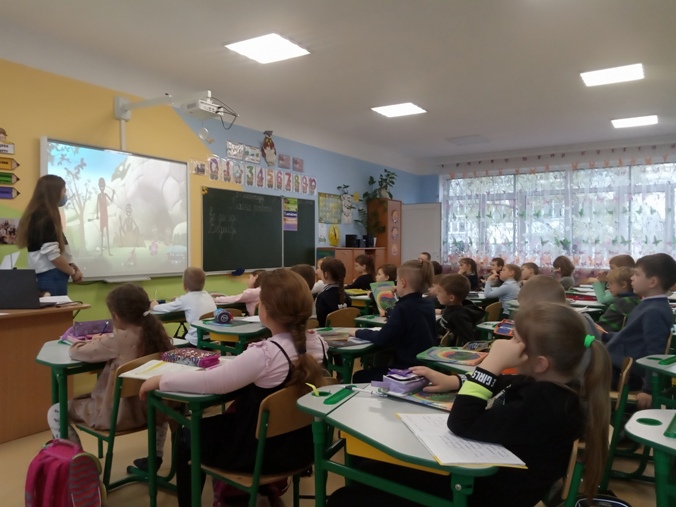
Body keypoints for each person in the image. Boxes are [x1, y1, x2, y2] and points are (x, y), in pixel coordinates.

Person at [329, 302, 611, 507]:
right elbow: (503, 384)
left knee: (349, 495)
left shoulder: (546, 404)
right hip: (488, 479)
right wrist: (453, 381)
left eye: (515, 340)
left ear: (540, 363)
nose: (506, 343)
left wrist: (491, 364)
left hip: (485, 495)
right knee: (370, 469)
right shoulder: (550, 386)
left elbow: (462, 422)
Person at [139, 269, 329, 507]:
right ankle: (259, 492)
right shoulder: (319, 344)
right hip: (301, 448)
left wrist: (161, 380)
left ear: (265, 310)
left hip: (260, 453)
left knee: (188, 435)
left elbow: (211, 383)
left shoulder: (267, 354)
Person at [46, 284, 173, 459]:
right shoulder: (158, 334)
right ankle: (156, 455)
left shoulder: (117, 340)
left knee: (55, 411)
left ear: (116, 316)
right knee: (158, 401)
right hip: (153, 410)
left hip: (118, 415)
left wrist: (100, 339)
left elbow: (77, 352)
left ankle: (77, 460)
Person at [598, 253, 676, 409]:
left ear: (652, 282)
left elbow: (656, 352)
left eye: (637, 274)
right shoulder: (648, 305)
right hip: (617, 366)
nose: (632, 278)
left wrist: (648, 390)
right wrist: (605, 335)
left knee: (574, 371)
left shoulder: (654, 311)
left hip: (625, 375)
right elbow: (630, 336)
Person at [347, 259, 436, 382]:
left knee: (359, 376)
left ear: (403, 282)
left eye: (397, 281)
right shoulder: (428, 304)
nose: (395, 285)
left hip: (406, 371)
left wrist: (358, 332)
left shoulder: (403, 308)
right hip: (425, 366)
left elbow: (382, 338)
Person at [17, 174, 82, 295]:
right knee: (56, 307)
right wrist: (72, 272)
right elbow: (52, 255)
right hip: (51, 276)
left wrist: (71, 264)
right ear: (54, 193)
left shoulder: (39, 214)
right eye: (64, 191)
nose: (65, 195)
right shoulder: (45, 216)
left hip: (49, 274)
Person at [150, 267, 217, 346]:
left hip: (195, 342)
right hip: (212, 340)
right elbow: (192, 301)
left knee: (169, 343)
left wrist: (154, 306)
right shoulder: (207, 295)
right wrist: (179, 300)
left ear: (184, 286)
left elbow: (166, 308)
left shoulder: (185, 299)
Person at [436, 274, 484, 345]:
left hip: (443, 347)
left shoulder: (458, 316)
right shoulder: (451, 308)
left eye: (439, 291)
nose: (437, 293)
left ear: (451, 298)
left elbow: (469, 340)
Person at [596, 267, 640, 333]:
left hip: (604, 334)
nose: (608, 287)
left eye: (610, 283)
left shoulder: (624, 302)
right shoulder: (634, 299)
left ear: (623, 284)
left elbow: (601, 326)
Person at [315, 257, 351, 327]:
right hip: (346, 332)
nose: (317, 272)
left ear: (326, 274)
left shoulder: (322, 298)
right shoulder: (347, 297)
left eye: (320, 270)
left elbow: (321, 324)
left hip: (327, 333)